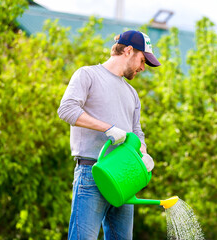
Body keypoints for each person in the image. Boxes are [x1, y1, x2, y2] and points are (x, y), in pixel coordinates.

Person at [57, 30, 161, 240]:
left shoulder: (132, 93)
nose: (142, 68)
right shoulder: (87, 75)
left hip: (123, 176)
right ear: (129, 51)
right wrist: (108, 128)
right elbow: (66, 110)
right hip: (91, 173)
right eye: (142, 60)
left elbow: (136, 131)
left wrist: (142, 151)